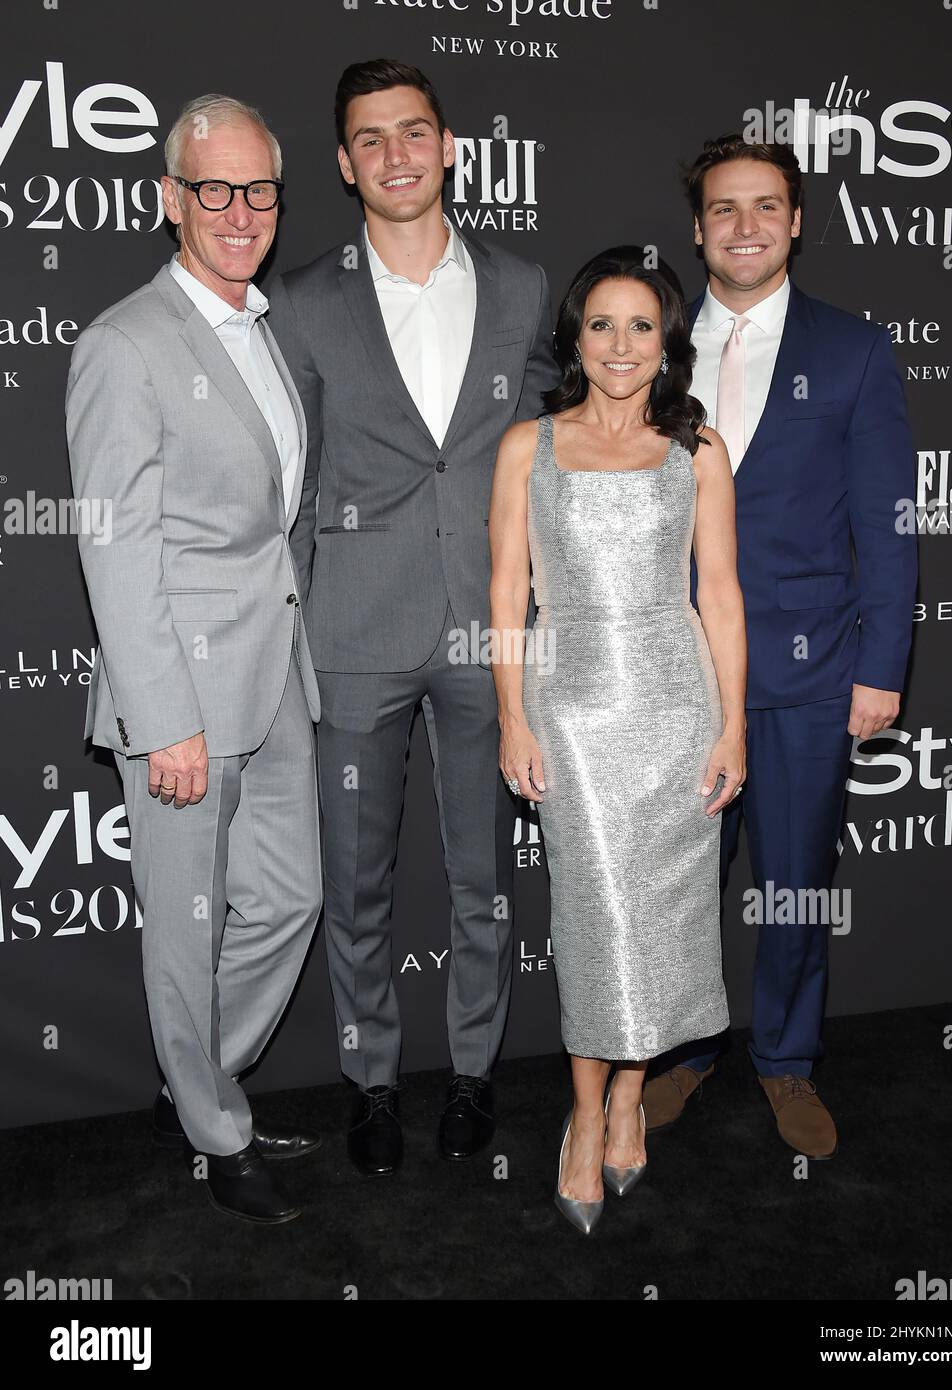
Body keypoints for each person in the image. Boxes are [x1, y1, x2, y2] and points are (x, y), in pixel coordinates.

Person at [267, 59, 559, 1176]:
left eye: (416, 131)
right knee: (356, 882)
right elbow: (289, 484)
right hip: (352, 629)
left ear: (449, 148)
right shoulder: (300, 300)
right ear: (345, 165)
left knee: (485, 874)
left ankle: (475, 1074)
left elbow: (552, 451)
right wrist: (288, 649)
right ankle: (372, 1083)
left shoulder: (525, 284)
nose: (397, 154)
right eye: (371, 138)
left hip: (492, 628)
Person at [66, 95, 323, 1225]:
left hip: (275, 670)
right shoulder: (125, 344)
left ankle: (197, 1080)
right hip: (181, 691)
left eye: (257, 189)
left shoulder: (262, 327)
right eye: (211, 189)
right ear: (171, 199)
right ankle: (219, 1133)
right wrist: (163, 715)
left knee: (290, 901)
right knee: (187, 926)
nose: (237, 211)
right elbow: (114, 548)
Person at [643, 135, 918, 1159]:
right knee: (677, 881)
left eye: (766, 206)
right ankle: (682, 1048)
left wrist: (882, 665)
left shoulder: (853, 350)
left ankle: (788, 1061)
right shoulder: (650, 347)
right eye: (724, 208)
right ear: (698, 227)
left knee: (795, 875)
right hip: (674, 676)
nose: (745, 225)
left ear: (797, 221)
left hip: (807, 674)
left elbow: (887, 523)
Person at [488, 247, 747, 1234]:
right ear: (575, 337)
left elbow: (718, 595)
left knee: (668, 918)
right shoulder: (530, 447)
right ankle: (585, 1111)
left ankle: (634, 1091)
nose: (622, 345)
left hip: (678, 704)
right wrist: (513, 711)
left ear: (667, 340)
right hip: (573, 707)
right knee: (598, 919)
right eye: (603, 324)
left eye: (643, 325)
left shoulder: (700, 450)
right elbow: (506, 593)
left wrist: (732, 724)